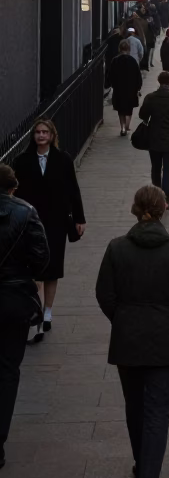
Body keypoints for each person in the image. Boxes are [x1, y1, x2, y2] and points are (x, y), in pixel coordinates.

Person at [95, 185, 169, 478]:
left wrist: (122, 318)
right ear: (163, 208)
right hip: (165, 339)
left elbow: (104, 293)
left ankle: (142, 461)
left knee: (135, 406)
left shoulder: (117, 247)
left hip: (128, 337)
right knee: (157, 411)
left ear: (136, 209)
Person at [13, 119, 86, 342]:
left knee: (53, 269)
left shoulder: (63, 160)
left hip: (56, 222)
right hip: (31, 222)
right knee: (35, 270)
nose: (41, 135)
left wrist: (79, 218)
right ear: (33, 136)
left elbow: (73, 189)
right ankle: (36, 313)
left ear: (52, 135)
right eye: (37, 132)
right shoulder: (22, 161)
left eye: (45, 132)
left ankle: (47, 312)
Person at [0, 163, 49, 469]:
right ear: (13, 187)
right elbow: (42, 258)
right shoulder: (25, 211)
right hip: (13, 300)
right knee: (7, 370)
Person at [137, 72, 169, 208]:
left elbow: (142, 115)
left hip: (154, 138)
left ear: (158, 81)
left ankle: (155, 198)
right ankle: (165, 199)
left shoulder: (151, 97)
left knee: (156, 168)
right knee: (168, 169)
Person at [108, 40, 144, 135]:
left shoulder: (115, 61)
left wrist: (113, 84)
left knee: (121, 109)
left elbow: (110, 75)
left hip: (119, 88)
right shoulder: (132, 61)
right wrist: (138, 87)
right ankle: (127, 126)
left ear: (120, 48)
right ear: (129, 49)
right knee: (129, 108)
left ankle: (122, 127)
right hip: (131, 89)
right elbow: (138, 76)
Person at [145, 4, 161, 69]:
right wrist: (157, 33)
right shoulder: (156, 16)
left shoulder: (147, 16)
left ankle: (148, 63)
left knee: (148, 49)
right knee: (152, 49)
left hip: (147, 35)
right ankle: (150, 62)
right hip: (153, 35)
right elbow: (158, 25)